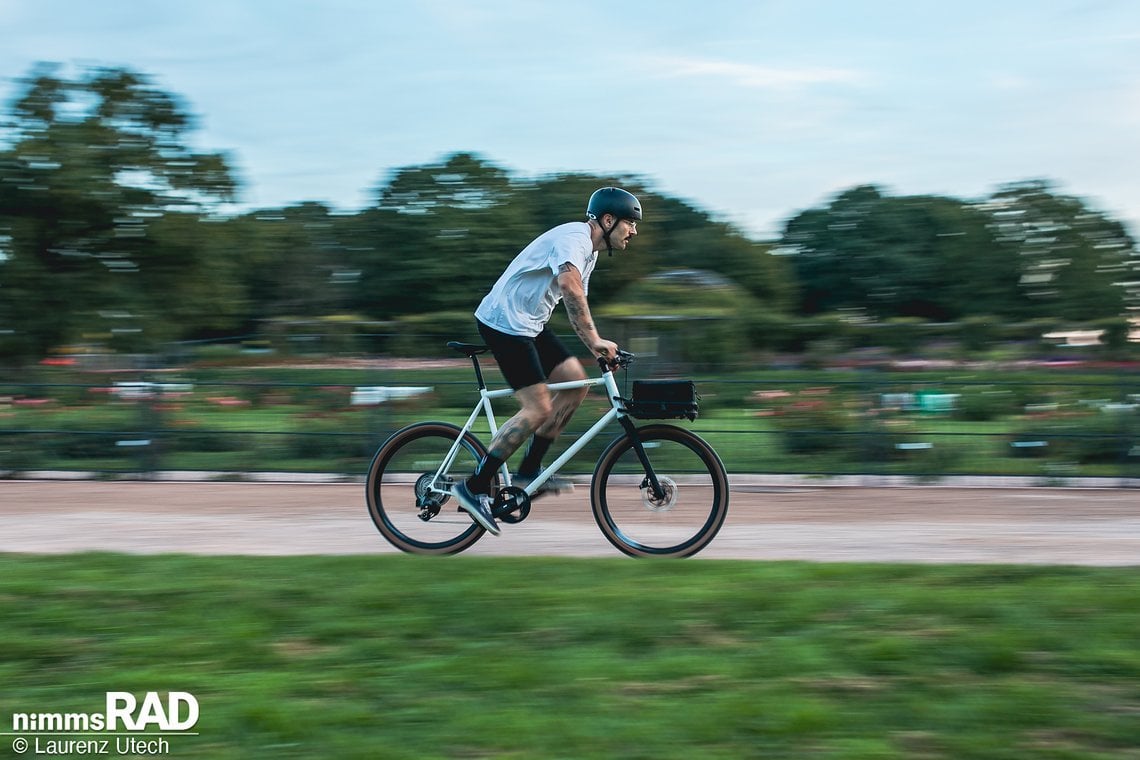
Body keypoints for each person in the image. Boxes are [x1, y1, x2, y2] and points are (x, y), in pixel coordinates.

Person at [453, 186, 642, 535]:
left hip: (529, 324)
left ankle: (529, 474)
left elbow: (576, 301)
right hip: (504, 322)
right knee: (537, 408)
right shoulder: (576, 240)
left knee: (574, 382)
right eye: (630, 223)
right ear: (608, 219)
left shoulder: (591, 253)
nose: (633, 231)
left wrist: (594, 347)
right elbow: (570, 289)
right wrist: (597, 340)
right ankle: (474, 486)